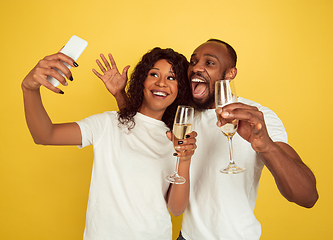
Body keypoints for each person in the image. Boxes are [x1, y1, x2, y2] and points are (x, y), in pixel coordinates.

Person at [109, 39, 319, 240]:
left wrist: (266, 145)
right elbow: (144, 126)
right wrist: (120, 94)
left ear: (230, 73)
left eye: (209, 63)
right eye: (193, 61)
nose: (196, 68)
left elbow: (308, 196)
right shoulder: (182, 115)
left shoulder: (256, 117)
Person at [21, 47, 197, 239]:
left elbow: (176, 209)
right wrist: (29, 88)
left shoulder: (176, 139)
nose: (161, 83)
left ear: (180, 89)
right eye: (153, 74)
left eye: (171, 78)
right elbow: (45, 135)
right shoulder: (107, 123)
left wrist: (185, 160)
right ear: (142, 81)